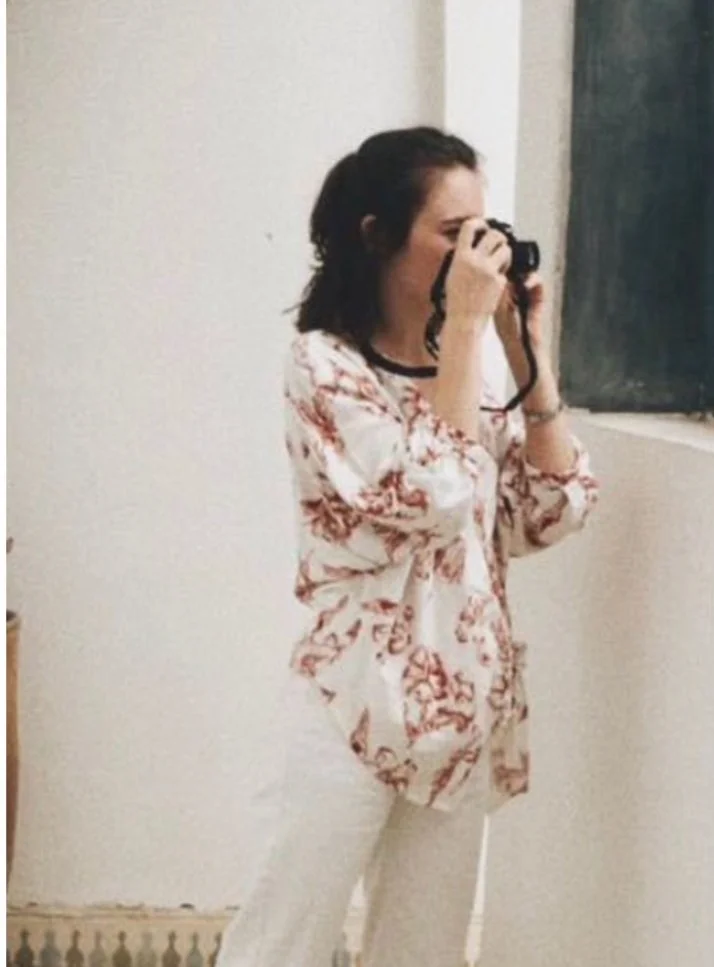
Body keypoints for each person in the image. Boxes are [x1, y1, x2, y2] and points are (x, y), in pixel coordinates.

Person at [215, 126, 599, 967]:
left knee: (421, 955)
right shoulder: (324, 368)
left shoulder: (473, 369)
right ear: (375, 234)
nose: (479, 254)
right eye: (453, 234)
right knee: (278, 947)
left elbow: (550, 509)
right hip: (349, 704)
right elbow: (430, 492)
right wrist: (464, 329)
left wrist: (524, 355)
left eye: (484, 231)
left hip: (460, 709)